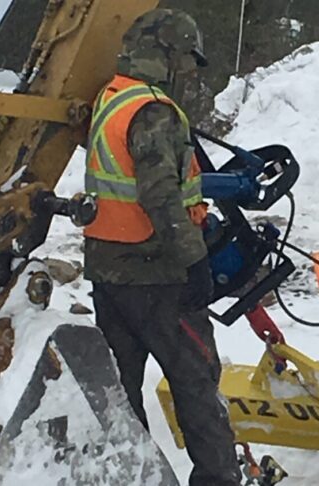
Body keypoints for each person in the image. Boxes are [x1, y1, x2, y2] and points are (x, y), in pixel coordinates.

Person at [82, 9, 241, 486]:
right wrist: (195, 261)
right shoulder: (154, 111)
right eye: (186, 61)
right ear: (168, 54)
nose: (188, 73)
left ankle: (131, 476)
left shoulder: (110, 98)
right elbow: (160, 195)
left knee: (119, 393)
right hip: (159, 275)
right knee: (195, 383)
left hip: (109, 272)